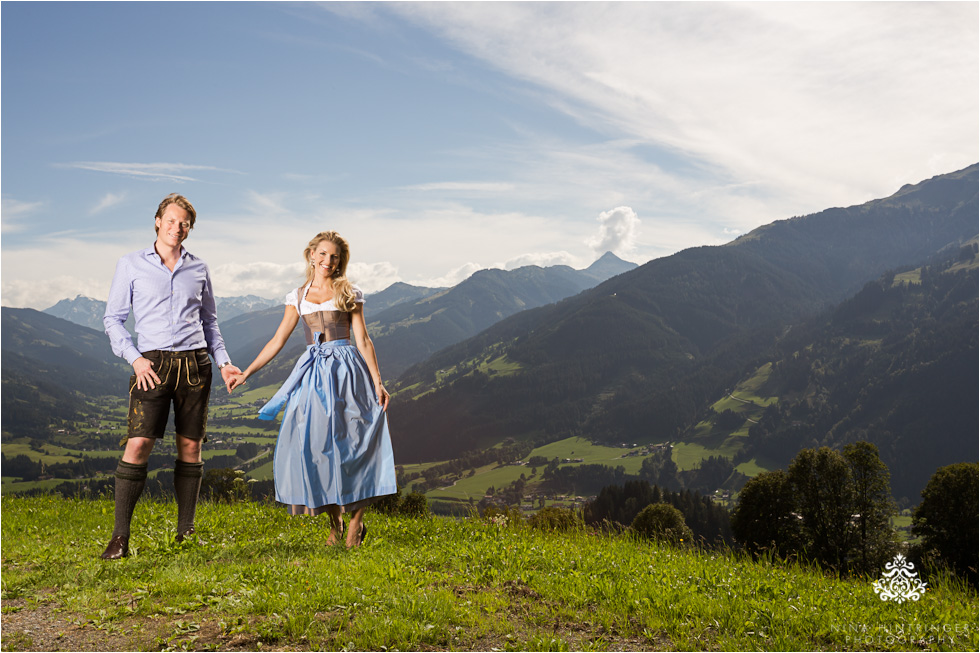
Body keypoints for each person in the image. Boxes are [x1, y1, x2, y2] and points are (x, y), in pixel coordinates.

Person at [227, 231, 396, 547]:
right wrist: (247, 372)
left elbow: (363, 339)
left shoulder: (349, 293)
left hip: (349, 372)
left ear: (340, 261)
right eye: (322, 254)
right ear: (311, 255)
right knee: (317, 447)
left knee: (357, 442)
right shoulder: (298, 296)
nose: (327, 261)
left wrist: (378, 380)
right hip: (315, 375)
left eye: (334, 256)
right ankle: (336, 522)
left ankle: (357, 521)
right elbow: (278, 340)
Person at [100, 193, 241, 560]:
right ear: (158, 221)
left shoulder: (199, 268)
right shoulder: (130, 264)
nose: (178, 227)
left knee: (191, 447)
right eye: (172, 220)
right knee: (138, 444)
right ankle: (119, 538)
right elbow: (112, 319)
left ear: (189, 229)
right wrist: (135, 359)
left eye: (185, 223)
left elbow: (209, 322)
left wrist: (223, 361)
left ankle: (186, 532)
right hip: (152, 366)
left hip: (196, 365)